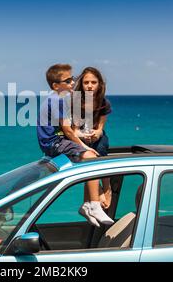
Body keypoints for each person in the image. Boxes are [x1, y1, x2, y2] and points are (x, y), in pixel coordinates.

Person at [37, 63, 114, 226]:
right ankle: (93, 204)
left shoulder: (59, 99)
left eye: (72, 79)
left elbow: (73, 128)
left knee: (99, 148)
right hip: (55, 142)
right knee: (91, 156)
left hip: (58, 140)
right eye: (68, 80)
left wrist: (96, 132)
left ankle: (93, 201)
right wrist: (84, 146)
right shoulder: (59, 100)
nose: (73, 82)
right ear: (56, 86)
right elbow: (69, 130)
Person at [73, 67, 113, 226]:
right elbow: (75, 130)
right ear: (81, 84)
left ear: (100, 84)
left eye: (93, 82)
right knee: (91, 156)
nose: (89, 85)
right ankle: (95, 197)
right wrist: (84, 137)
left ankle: (106, 188)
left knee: (102, 144)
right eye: (86, 82)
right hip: (80, 137)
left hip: (95, 136)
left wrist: (97, 133)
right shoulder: (77, 101)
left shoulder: (104, 102)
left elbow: (101, 128)